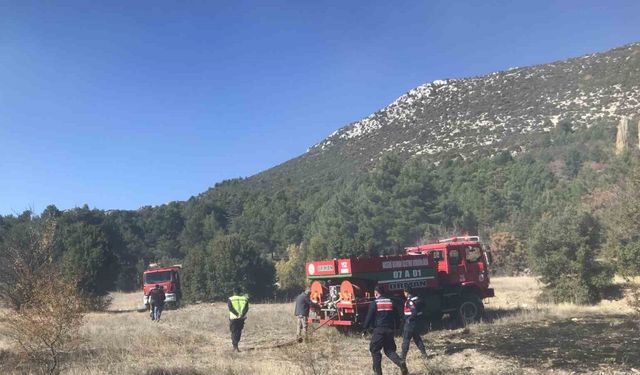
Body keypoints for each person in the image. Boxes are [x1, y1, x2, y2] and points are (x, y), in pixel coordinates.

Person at [362, 286, 409, 375]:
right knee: (389, 350)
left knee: (375, 350)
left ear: (376, 293)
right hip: (390, 330)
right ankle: (400, 362)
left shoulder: (374, 303)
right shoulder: (390, 302)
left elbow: (369, 317)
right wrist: (398, 327)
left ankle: (378, 372)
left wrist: (364, 328)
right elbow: (396, 316)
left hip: (379, 330)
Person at [401, 286, 427, 360]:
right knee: (417, 339)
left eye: (404, 292)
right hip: (416, 323)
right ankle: (424, 354)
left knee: (406, 340)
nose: (404, 294)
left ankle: (402, 358)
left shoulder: (410, 301)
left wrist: (409, 319)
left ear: (407, 293)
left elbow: (414, 311)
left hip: (410, 324)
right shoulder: (417, 299)